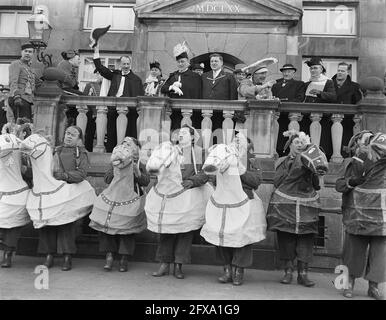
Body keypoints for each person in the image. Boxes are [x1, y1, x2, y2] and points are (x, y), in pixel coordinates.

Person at [266, 130, 325, 287]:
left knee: (306, 240)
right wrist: (293, 167)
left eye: (302, 143)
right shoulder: (282, 161)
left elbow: (317, 186)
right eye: (296, 142)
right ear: (290, 145)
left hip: (307, 206)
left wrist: (312, 170)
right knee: (286, 239)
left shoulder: (311, 161)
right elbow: (277, 182)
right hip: (286, 207)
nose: (300, 145)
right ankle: (288, 272)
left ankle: (303, 274)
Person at [152, 124, 209, 279]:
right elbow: (158, 170)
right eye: (179, 133)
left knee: (185, 231)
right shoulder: (169, 151)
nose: (181, 135)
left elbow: (206, 173)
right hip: (169, 196)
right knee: (166, 230)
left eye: (185, 133)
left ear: (192, 137)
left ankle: (179, 264)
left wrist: (192, 181)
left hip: (189, 197)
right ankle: (164, 263)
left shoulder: (199, 153)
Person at [335, 131, 385, 300]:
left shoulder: (383, 161)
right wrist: (352, 181)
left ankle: (374, 286)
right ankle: (347, 284)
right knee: (352, 252)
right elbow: (339, 185)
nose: (365, 143)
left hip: (381, 216)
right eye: (362, 140)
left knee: (380, 253)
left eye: (369, 140)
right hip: (356, 214)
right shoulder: (351, 161)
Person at [38, 126, 89, 271]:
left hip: (69, 192)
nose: (69, 136)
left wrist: (64, 176)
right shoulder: (55, 150)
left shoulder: (81, 153)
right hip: (51, 191)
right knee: (47, 221)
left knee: (67, 224)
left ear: (79, 139)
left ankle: (67, 256)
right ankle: (49, 255)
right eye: (67, 133)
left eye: (73, 135)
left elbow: (82, 174)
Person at [215, 132, 263, 285]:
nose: (237, 143)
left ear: (248, 146)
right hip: (225, 201)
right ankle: (227, 270)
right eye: (234, 140)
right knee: (223, 235)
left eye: (240, 141)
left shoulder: (253, 160)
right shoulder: (223, 157)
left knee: (243, 237)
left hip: (244, 202)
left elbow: (255, 181)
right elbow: (212, 178)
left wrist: (241, 169)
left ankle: (239, 270)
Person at [97, 137, 150, 272]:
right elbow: (107, 179)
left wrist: (136, 171)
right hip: (114, 198)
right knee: (107, 225)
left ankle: (124, 258)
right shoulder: (115, 161)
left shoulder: (139, 163)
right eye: (123, 143)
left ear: (136, 148)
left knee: (128, 229)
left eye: (129, 143)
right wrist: (117, 168)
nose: (125, 144)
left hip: (131, 198)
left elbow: (145, 181)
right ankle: (109, 256)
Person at [93, 44, 144, 152]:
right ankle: (111, 151)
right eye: (124, 64)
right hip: (113, 108)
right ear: (120, 64)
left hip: (129, 112)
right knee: (111, 132)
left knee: (127, 133)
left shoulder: (136, 79)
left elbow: (140, 97)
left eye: (128, 64)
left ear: (130, 64)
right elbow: (100, 68)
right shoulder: (114, 74)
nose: (126, 66)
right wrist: (96, 52)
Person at [8, 43, 41, 122]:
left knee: (26, 124)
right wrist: (17, 96)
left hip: (27, 100)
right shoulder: (16, 64)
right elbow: (13, 81)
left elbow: (37, 83)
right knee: (21, 125)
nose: (27, 53)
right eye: (25, 51)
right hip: (19, 98)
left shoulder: (29, 68)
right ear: (21, 52)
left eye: (30, 52)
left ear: (33, 54)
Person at [83, 70, 103, 152]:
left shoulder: (108, 86)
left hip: (104, 113)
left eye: (101, 74)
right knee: (89, 134)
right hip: (91, 114)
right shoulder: (90, 85)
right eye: (98, 74)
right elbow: (84, 99)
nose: (99, 75)